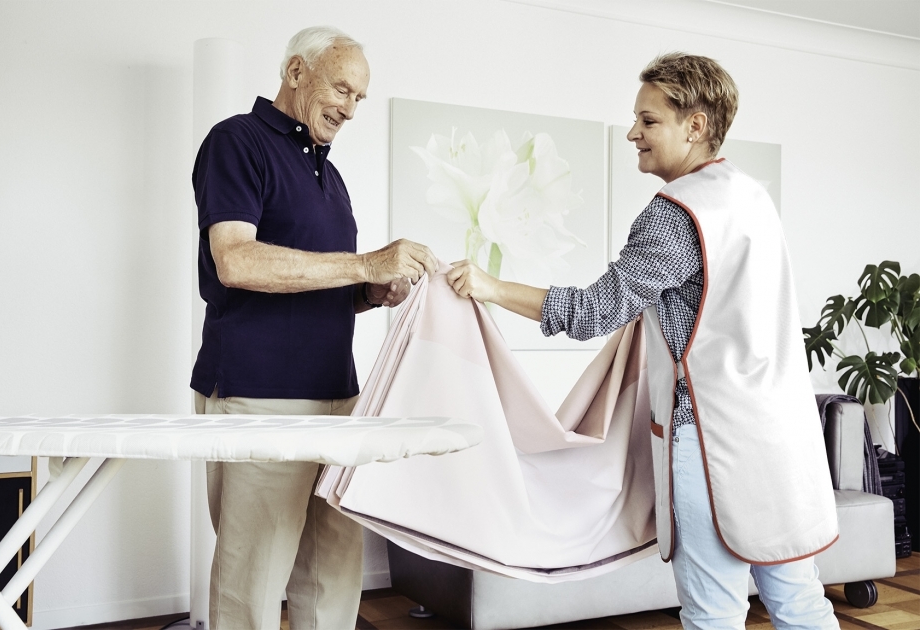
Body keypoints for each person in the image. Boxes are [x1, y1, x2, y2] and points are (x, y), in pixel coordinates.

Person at [447, 53, 840, 628]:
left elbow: (594, 311)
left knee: (713, 615)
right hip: (782, 438)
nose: (633, 133)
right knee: (802, 604)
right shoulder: (751, 197)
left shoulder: (676, 213)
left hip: (714, 441)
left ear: (695, 125)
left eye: (648, 120)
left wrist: (491, 286)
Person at [190, 26, 438, 630]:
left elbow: (317, 284)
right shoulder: (237, 141)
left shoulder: (331, 174)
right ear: (296, 72)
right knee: (252, 582)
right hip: (260, 397)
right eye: (342, 89)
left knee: (333, 576)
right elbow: (236, 261)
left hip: (338, 397)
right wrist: (365, 264)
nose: (350, 109)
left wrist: (368, 292)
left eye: (360, 98)